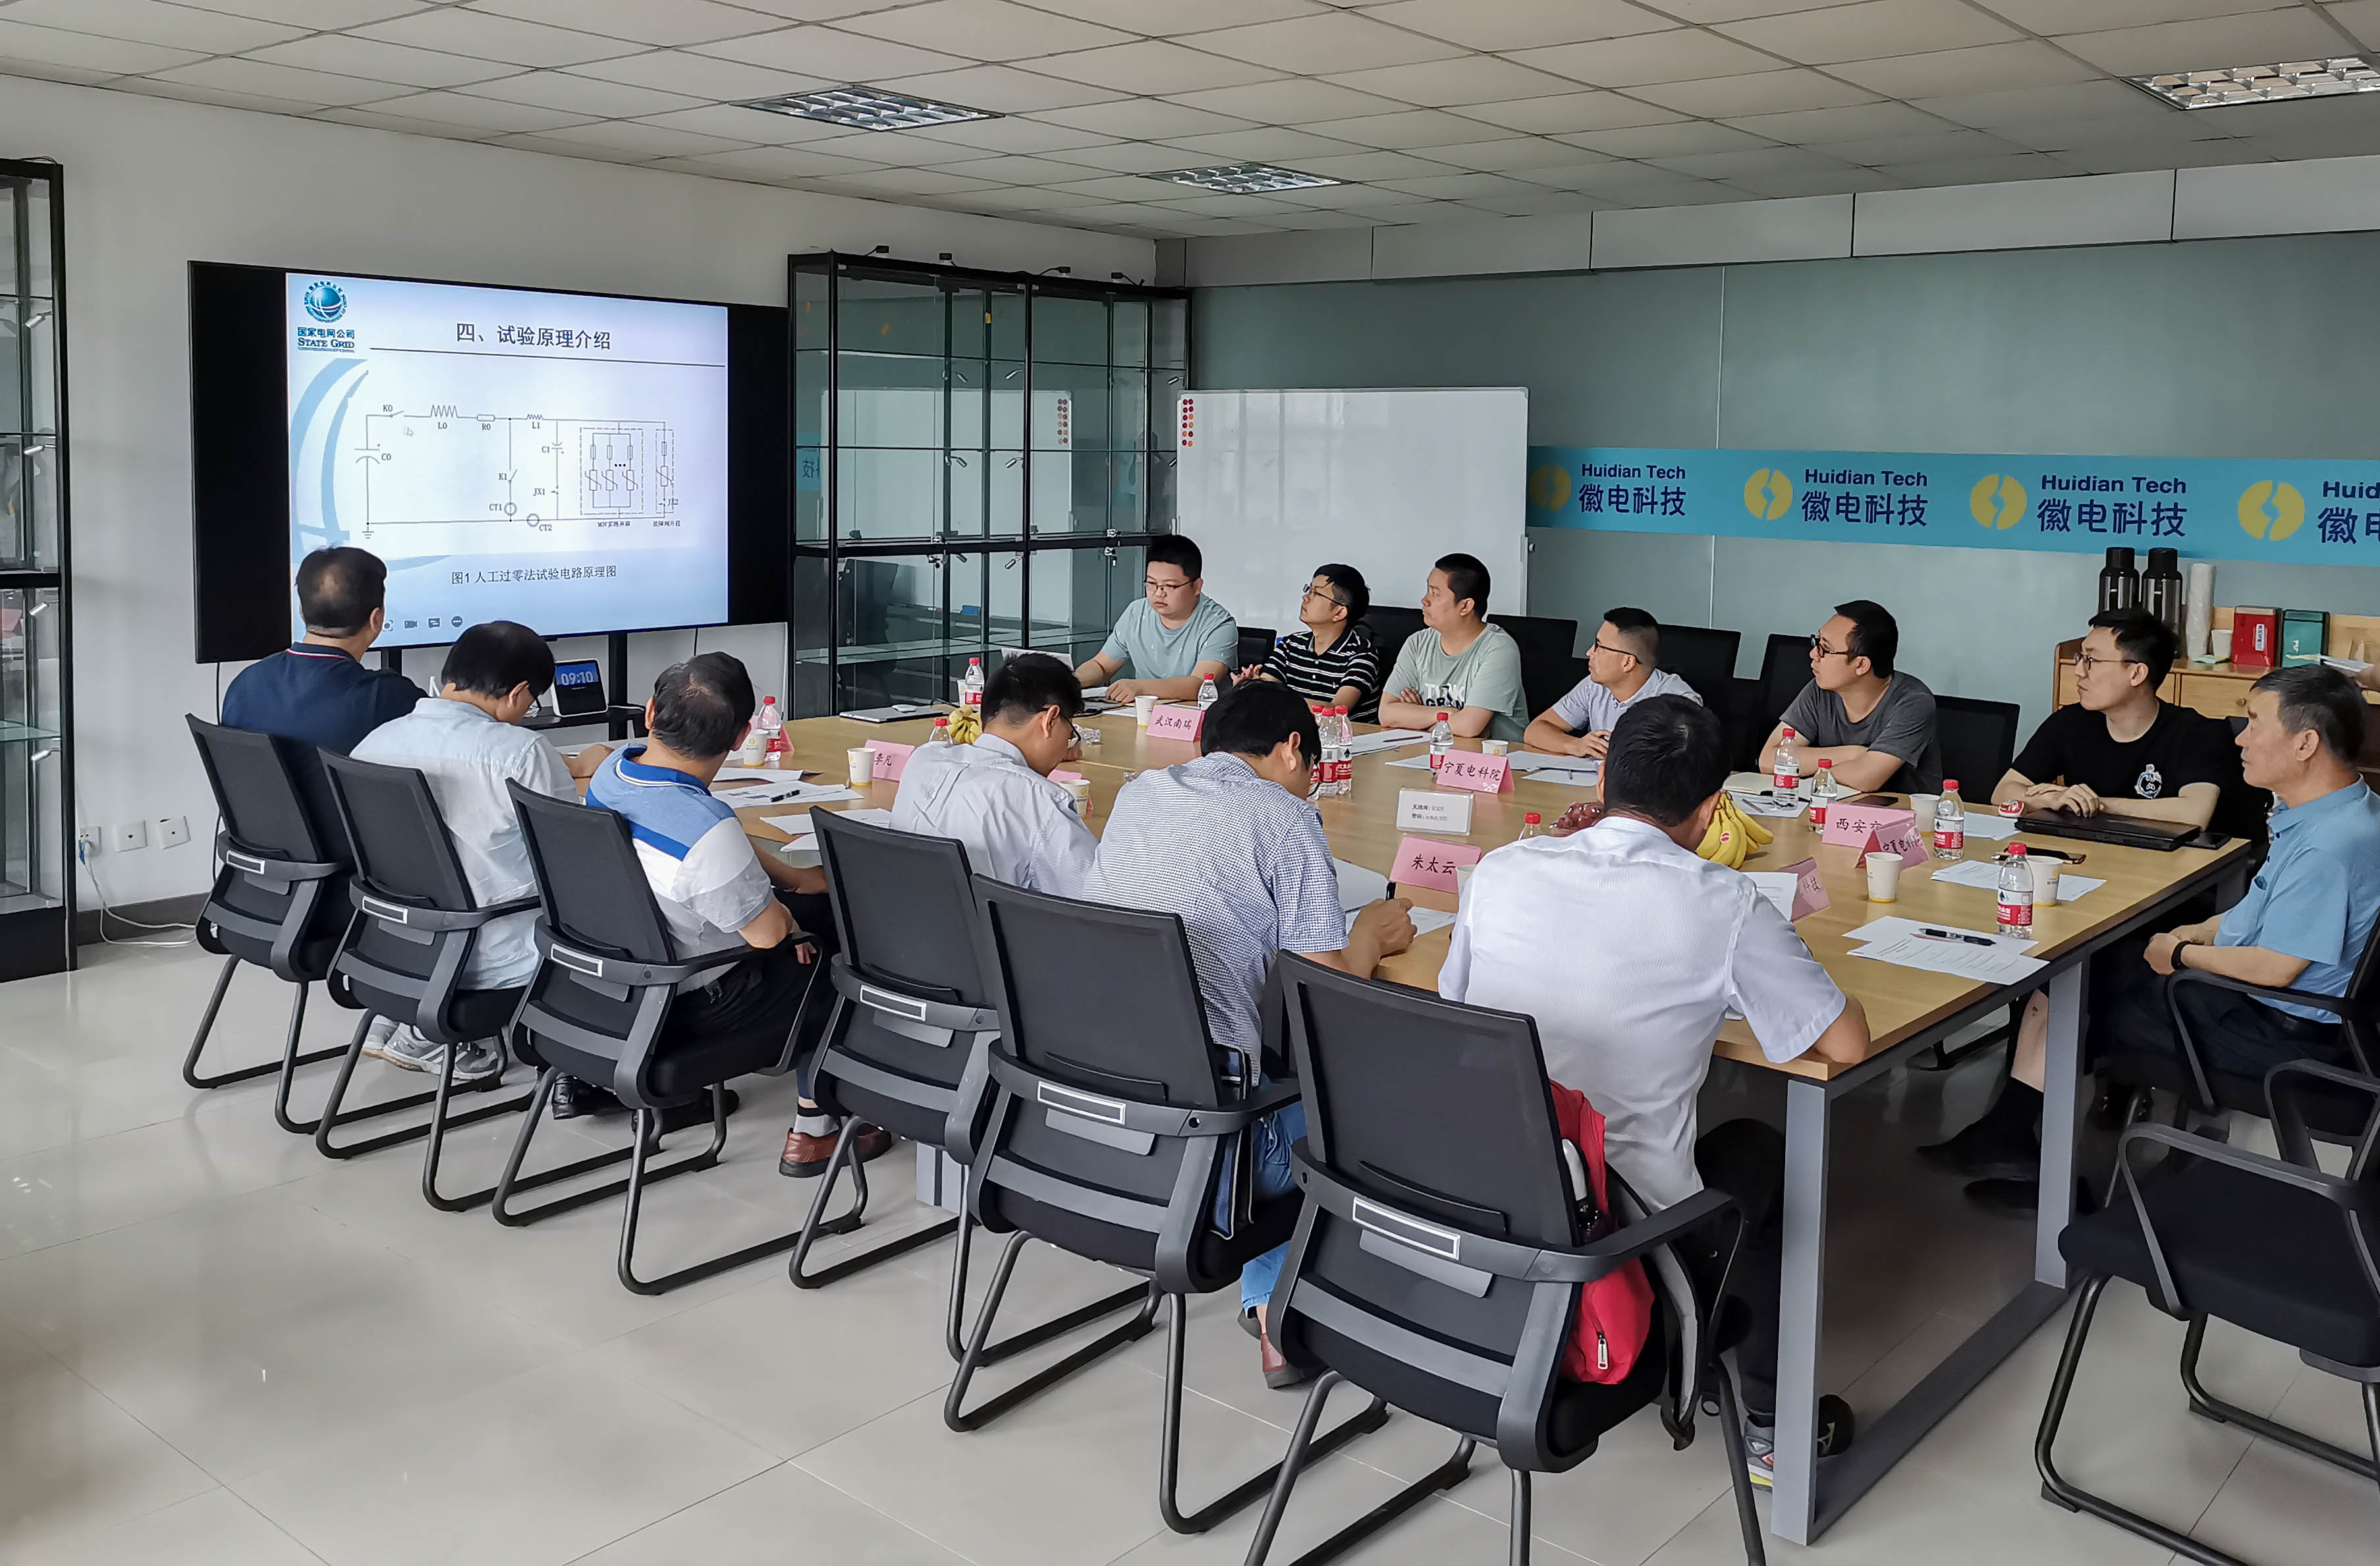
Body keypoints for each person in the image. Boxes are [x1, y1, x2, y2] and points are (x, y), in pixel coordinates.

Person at [1441, 696, 1868, 1485]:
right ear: (1711, 812)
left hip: (1486, 1203)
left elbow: (1458, 1000)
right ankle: (1770, 1424)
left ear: (1602, 780)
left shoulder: (1501, 869)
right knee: (1763, 1151)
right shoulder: (1725, 901)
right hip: (1621, 1235)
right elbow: (1845, 1043)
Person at [1935, 663, 2380, 1216]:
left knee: (2079, 991)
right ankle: (2016, 1133)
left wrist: (2181, 953)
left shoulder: (2329, 846)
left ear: (2305, 743)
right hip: (2289, 1013)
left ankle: (2057, 1189)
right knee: (2096, 966)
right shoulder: (2339, 811)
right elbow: (2267, 909)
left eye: (2253, 723)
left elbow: (2276, 967)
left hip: (2282, 1034)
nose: (2240, 739)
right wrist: (2199, 930)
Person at [1090, 681, 1414, 1388]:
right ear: (1293, 748)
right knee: (1353, 1109)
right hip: (1209, 1154)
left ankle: (1271, 1304)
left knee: (1267, 1077)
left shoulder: (1141, 793)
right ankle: (1285, 1311)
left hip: (1094, 1122)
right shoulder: (1284, 816)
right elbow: (1327, 992)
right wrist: (1367, 936)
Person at [584, 654, 882, 1171]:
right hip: (688, 1002)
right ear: (745, 735)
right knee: (842, 959)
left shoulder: (612, 773)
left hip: (614, 983)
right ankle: (814, 1130)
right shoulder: (706, 829)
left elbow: (724, 851)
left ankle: (702, 1106)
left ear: (650, 712)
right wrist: (791, 921)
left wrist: (792, 882)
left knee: (813, 910)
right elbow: (768, 934)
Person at [350, 621, 609, 1082]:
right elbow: (574, 864)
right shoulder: (522, 751)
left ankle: (403, 1019)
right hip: (490, 956)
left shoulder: (374, 742)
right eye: (531, 702)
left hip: (393, 944)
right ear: (519, 693)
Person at [1991, 609, 2257, 840]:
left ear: (2136, 673)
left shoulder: (2198, 733)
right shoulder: (2070, 722)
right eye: (2081, 658)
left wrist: (2095, 804)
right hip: (2093, 858)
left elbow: (2194, 814)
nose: (2079, 671)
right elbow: (2003, 790)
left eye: (2092, 661)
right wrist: (2049, 799)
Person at [221, 545, 423, 824]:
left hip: (263, 840)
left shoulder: (245, 683)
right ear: (376, 619)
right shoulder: (389, 696)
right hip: (351, 844)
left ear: (302, 612)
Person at [891, 652, 1097, 897]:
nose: (1067, 745)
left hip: (898, 916)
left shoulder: (923, 760)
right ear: (1049, 720)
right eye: (1070, 732)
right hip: (984, 922)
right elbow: (1098, 899)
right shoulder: (1041, 801)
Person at [1757, 599, 1941, 796]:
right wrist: (1853, 754)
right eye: (1817, 642)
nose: (1813, 654)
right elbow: (1768, 760)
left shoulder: (1913, 701)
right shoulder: (1820, 690)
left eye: (1825, 649)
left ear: (1861, 665)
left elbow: (1865, 779)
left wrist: (1809, 773)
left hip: (1900, 812)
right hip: (1830, 805)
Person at [1376, 553, 1529, 743]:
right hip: (1432, 751)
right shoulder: (1417, 643)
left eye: (1435, 593)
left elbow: (1468, 727)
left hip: (1495, 758)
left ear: (1465, 606)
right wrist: (1446, 714)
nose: (1425, 600)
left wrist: (1415, 718)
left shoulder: (1499, 649)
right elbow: (1386, 714)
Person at [1074, 534, 1237, 704]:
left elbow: (1200, 685)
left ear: (1196, 586)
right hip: (1140, 713)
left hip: (1198, 715)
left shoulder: (1219, 625)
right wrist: (1071, 682)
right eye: (1152, 584)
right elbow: (1101, 666)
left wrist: (1140, 688)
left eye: (1170, 586)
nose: (1159, 593)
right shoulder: (1137, 613)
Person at [1524, 607, 1700, 760]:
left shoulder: (1677, 702)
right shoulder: (1594, 686)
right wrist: (1574, 745)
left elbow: (1685, 764)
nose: (1589, 653)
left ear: (1627, 662)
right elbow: (1534, 731)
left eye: (1599, 646)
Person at [1234, 563, 1383, 721]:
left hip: (1349, 736)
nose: (1305, 597)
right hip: (1297, 732)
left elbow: (1337, 710)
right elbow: (1268, 688)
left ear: (1339, 612)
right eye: (1309, 589)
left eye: (1316, 593)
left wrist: (1270, 696)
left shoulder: (1363, 654)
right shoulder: (1290, 645)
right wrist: (1250, 687)